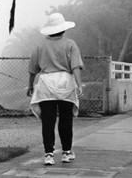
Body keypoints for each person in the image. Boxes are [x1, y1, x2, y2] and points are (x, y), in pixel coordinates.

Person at [27, 13, 84, 166]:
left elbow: (33, 70)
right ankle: (66, 152)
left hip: (46, 85)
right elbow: (75, 67)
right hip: (66, 84)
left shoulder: (39, 46)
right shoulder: (70, 44)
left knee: (48, 121)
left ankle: (48, 155)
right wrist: (79, 84)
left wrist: (30, 86)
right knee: (66, 119)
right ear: (63, 29)